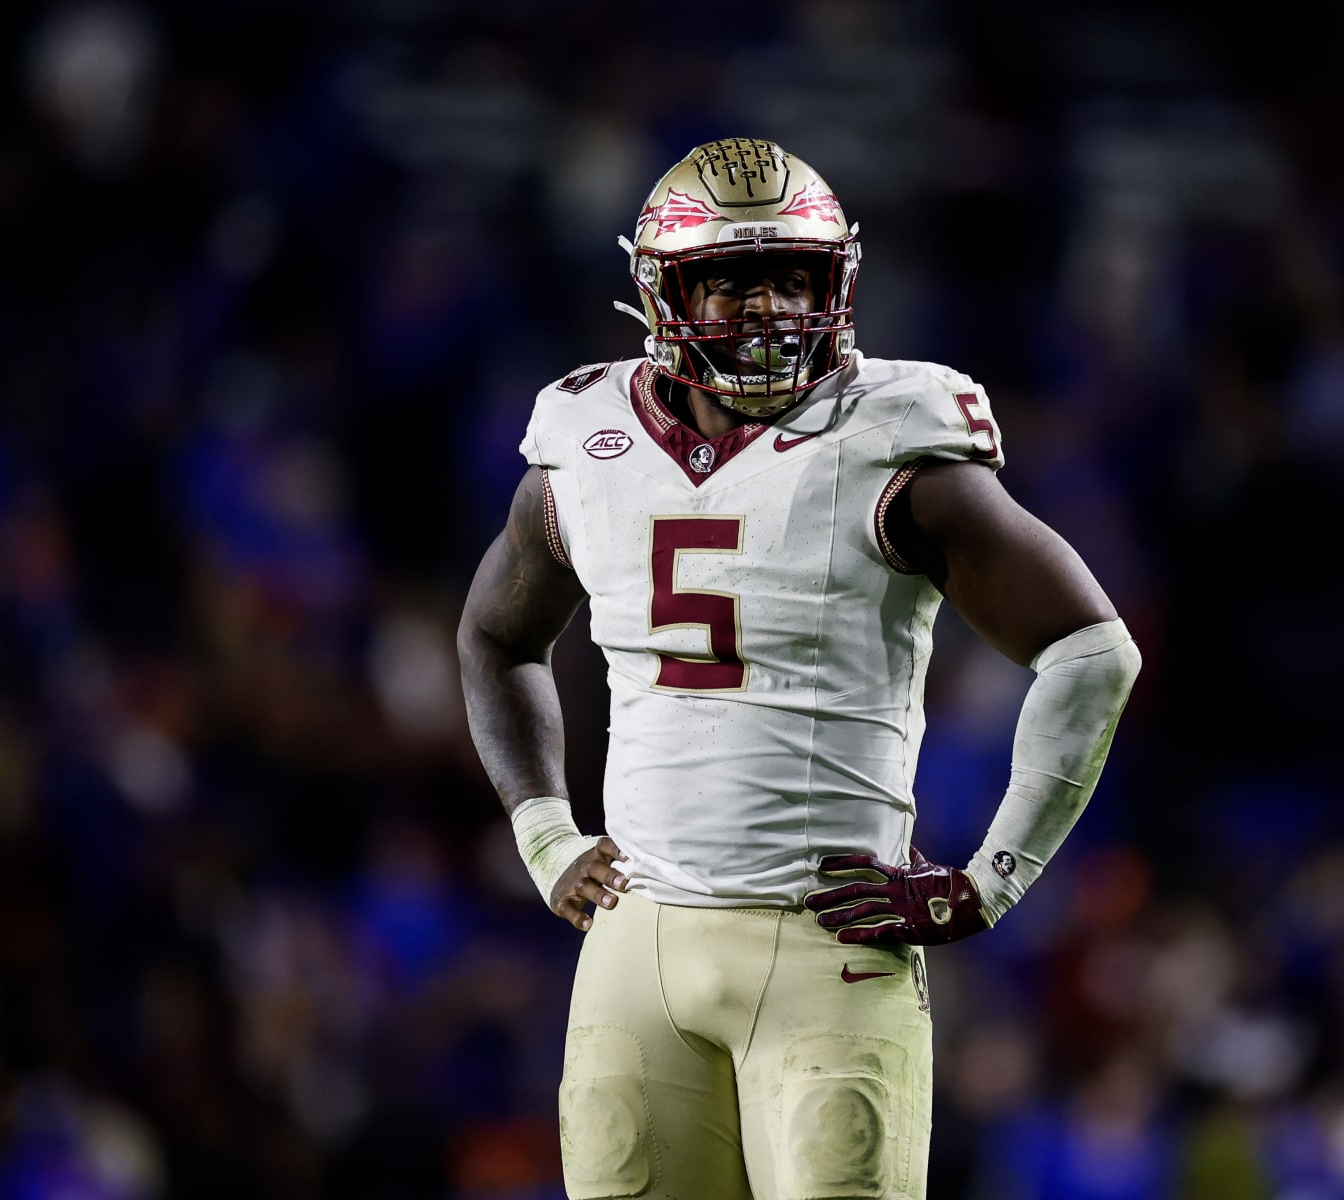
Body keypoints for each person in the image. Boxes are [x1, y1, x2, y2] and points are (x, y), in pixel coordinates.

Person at [458, 137, 1140, 1199]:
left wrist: (993, 881)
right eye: (731, 280)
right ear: (662, 288)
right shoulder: (584, 436)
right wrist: (544, 833)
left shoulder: (892, 437)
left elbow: (1094, 651)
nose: (770, 308)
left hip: (827, 949)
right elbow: (496, 637)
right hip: (635, 949)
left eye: (793, 276)